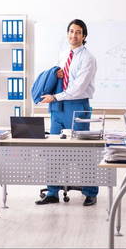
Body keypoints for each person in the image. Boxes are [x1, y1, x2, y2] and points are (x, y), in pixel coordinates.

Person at [35, 19, 98, 206]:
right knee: (54, 151)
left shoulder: (88, 58)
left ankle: (90, 192)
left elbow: (78, 88)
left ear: (84, 36)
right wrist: (57, 75)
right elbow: (62, 76)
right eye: (71, 31)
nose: (73, 35)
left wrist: (55, 97)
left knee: (82, 152)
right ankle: (53, 191)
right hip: (58, 108)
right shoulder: (64, 53)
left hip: (77, 105)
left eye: (78, 32)